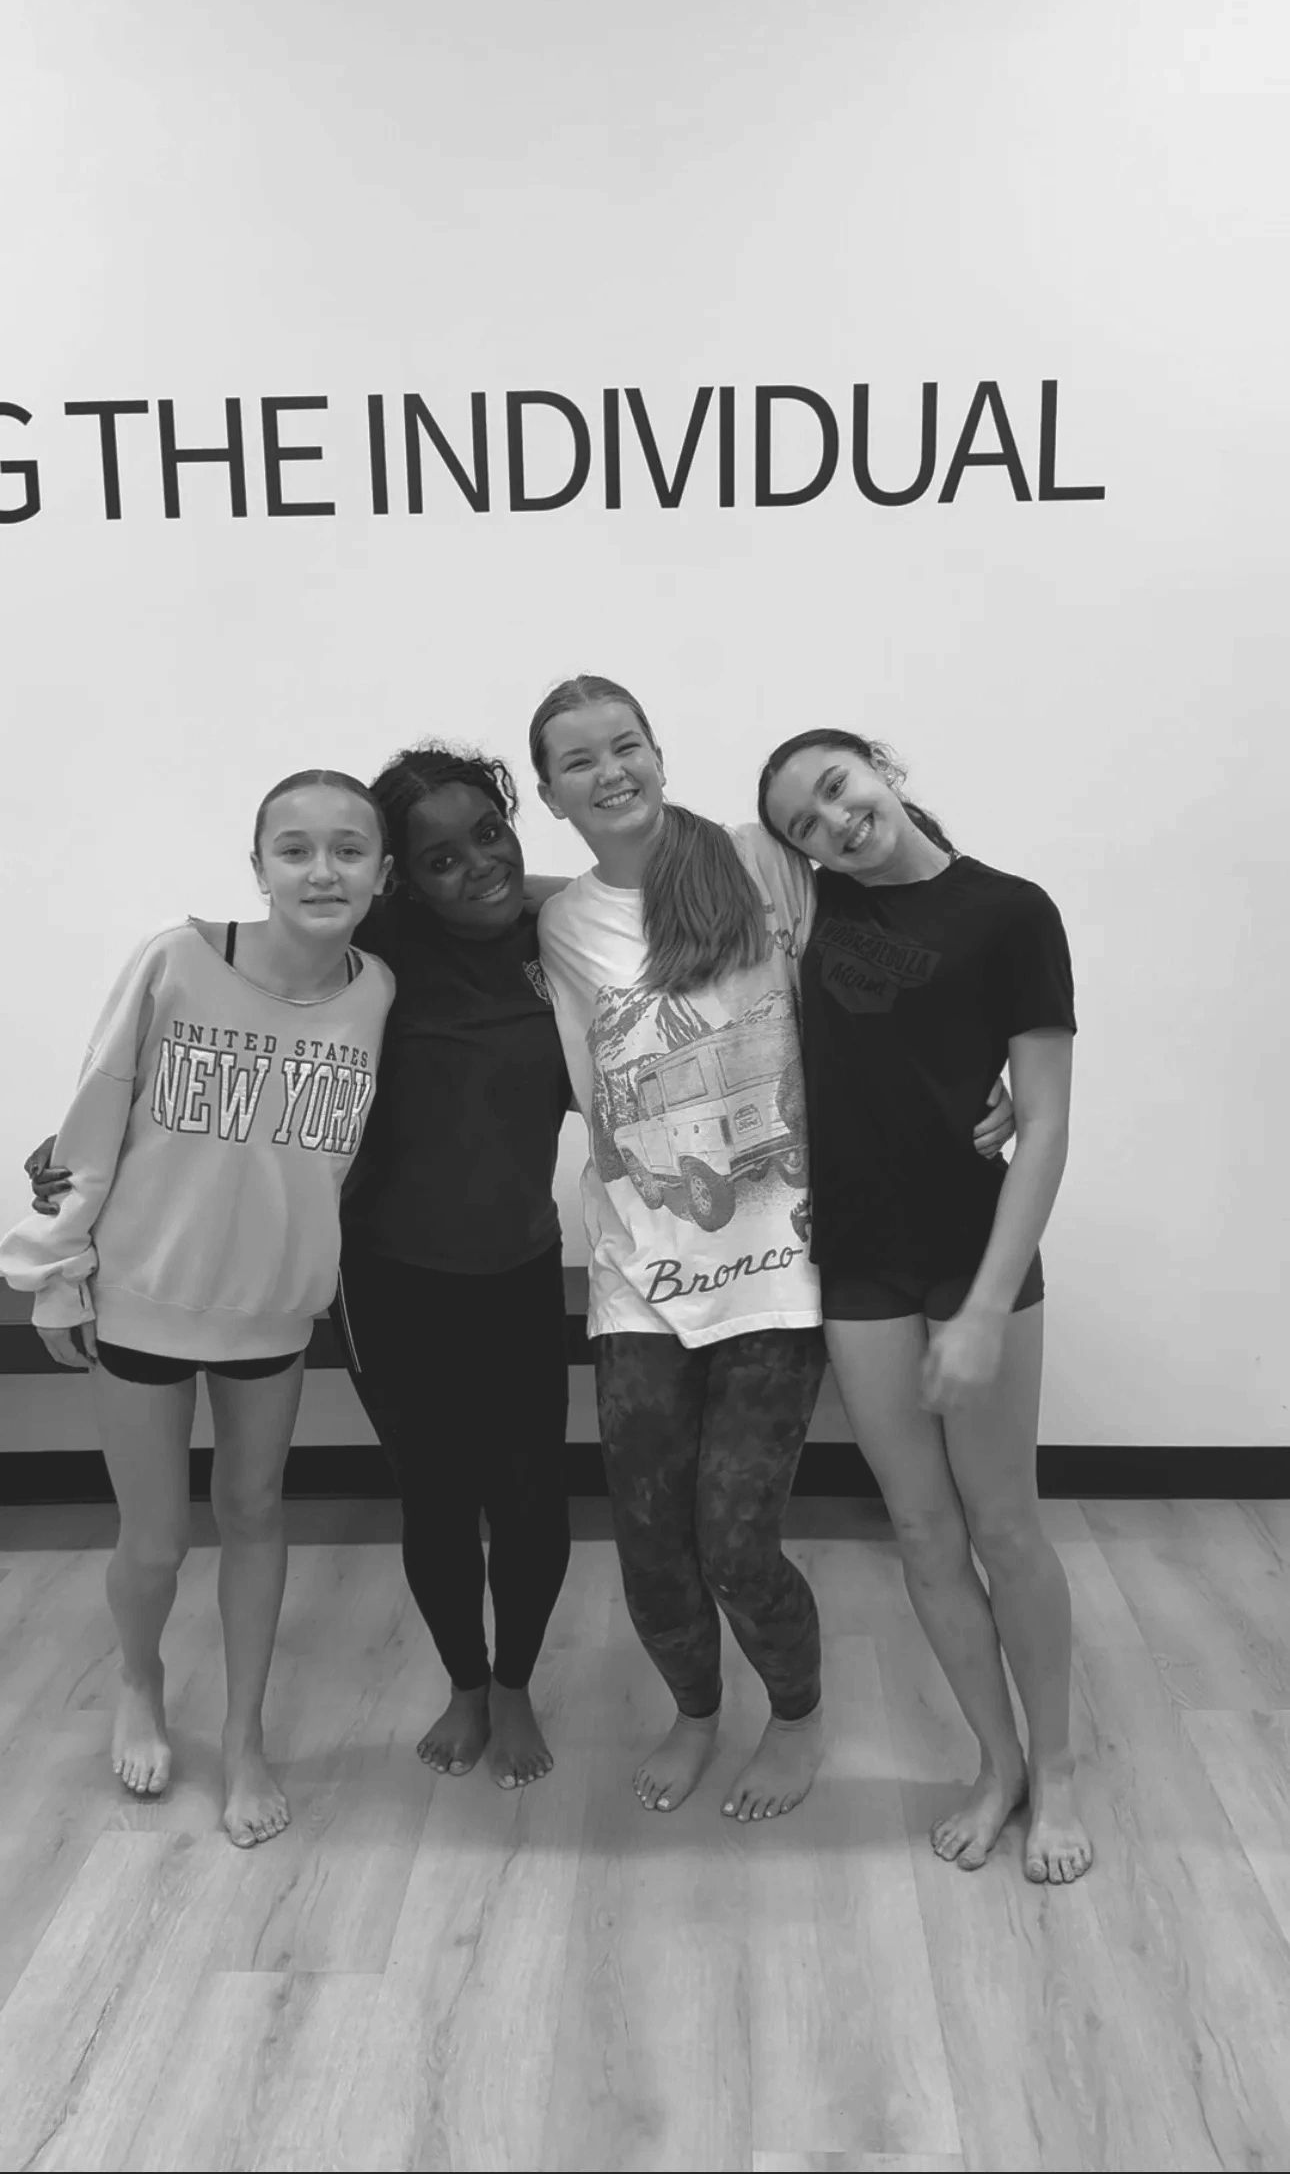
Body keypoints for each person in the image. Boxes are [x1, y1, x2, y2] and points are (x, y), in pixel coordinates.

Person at [529, 676, 1015, 1826]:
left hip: (784, 1269)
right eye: (580, 762)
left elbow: (913, 917)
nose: (612, 772)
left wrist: (980, 1066)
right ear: (549, 795)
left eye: (628, 745)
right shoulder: (555, 927)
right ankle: (696, 1713)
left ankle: (793, 1718)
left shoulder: (761, 858)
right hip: (638, 1277)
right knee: (651, 1547)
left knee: (738, 1539)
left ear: (658, 750)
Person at [2, 772, 395, 1847]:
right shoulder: (175, 961)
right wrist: (55, 1270)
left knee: (257, 1513)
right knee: (158, 1540)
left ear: (384, 872)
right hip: (141, 1303)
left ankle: (248, 1735)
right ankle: (139, 1681)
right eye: (296, 848)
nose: (323, 870)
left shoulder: (378, 993)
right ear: (257, 864)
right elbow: (90, 1120)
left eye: (351, 850)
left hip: (273, 1310)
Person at [757, 726, 1092, 1886]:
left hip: (972, 1253)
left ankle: (1055, 1773)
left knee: (1005, 1524)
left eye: (839, 789)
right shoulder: (807, 911)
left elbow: (1042, 1121)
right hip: (859, 1261)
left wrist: (990, 1306)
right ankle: (993, 1766)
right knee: (920, 1528)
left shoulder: (1009, 912)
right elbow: (644, 863)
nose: (834, 823)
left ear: (882, 769)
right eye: (804, 822)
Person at [333, 743, 573, 1791]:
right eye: (438, 857)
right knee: (433, 1497)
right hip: (391, 1279)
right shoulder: (368, 950)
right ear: (399, 878)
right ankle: (464, 1684)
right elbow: (229, 1012)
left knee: (530, 1497)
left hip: (520, 1264)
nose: (479, 862)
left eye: (490, 831)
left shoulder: (561, 938)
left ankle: (514, 1683)